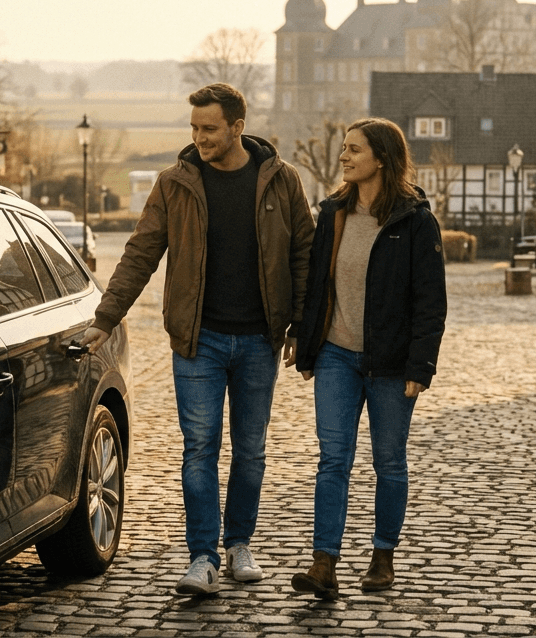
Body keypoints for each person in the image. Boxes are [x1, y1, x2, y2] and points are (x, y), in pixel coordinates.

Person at [81, 82, 314, 595]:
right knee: (199, 450)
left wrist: (300, 325)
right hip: (198, 340)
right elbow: (141, 253)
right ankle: (203, 557)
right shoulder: (175, 183)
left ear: (237, 127)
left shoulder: (281, 181)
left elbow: (305, 255)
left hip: (259, 340)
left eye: (210, 128)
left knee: (250, 451)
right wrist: (105, 317)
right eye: (194, 128)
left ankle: (239, 545)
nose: (200, 137)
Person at [290, 117, 446, 598]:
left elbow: (430, 301)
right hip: (337, 356)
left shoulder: (415, 221)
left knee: (389, 462)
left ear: (382, 157)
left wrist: (421, 368)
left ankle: (382, 557)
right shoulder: (333, 212)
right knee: (333, 460)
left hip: (392, 364)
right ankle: (324, 564)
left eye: (354, 149)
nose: (344, 156)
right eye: (342, 148)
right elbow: (317, 285)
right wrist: (306, 339)